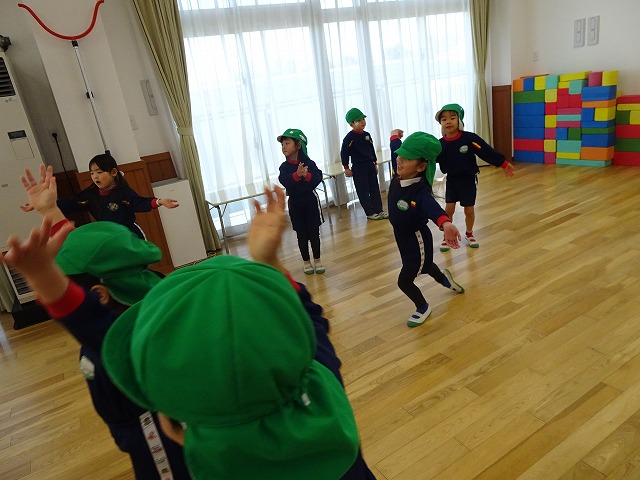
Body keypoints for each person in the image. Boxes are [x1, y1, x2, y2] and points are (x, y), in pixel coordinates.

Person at [4, 181, 376, 480]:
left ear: (178, 430)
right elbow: (310, 319)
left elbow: (99, 331)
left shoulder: (208, 461)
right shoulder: (322, 379)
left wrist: (45, 279)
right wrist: (268, 260)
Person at [7, 166, 191, 480]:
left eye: (66, 283)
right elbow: (84, 249)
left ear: (98, 296)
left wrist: (42, 276)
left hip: (152, 434)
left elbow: (80, 312)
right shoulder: (128, 305)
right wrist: (50, 211)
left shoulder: (121, 334)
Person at [389, 130, 465, 327]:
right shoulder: (398, 174)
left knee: (405, 280)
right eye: (400, 155)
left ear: (421, 167)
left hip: (417, 238)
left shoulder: (420, 192)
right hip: (401, 236)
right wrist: (394, 136)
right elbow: (395, 149)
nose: (399, 159)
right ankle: (446, 280)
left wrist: (446, 223)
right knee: (426, 265)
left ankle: (422, 306)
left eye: (406, 158)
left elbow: (433, 209)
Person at [21, 154, 179, 239]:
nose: (95, 176)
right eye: (92, 173)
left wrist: (159, 201)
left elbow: (139, 203)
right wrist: (43, 204)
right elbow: (70, 203)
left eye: (99, 172)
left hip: (130, 236)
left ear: (113, 172)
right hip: (108, 237)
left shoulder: (123, 192)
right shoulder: (90, 195)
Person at [435, 103, 515, 251]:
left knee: (469, 210)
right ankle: (447, 235)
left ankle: (469, 233)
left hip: (468, 180)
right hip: (451, 180)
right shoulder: (439, 144)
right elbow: (429, 159)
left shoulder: (469, 138)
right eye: (444, 119)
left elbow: (485, 151)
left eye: (452, 118)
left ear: (459, 120)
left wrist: (503, 163)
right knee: (449, 209)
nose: (448, 121)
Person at [277, 128, 325, 275]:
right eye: (282, 144)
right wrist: (297, 175)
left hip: (311, 202)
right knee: (301, 234)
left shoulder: (309, 163)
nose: (283, 147)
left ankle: (317, 260)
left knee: (314, 233)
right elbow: (284, 180)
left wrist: (306, 175)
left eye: (287, 143)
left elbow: (317, 178)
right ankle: (306, 262)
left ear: (298, 145)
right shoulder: (284, 167)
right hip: (295, 204)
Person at [341, 108, 387, 220]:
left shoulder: (367, 135)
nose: (362, 122)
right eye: (359, 120)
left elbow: (371, 149)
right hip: (358, 167)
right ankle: (370, 212)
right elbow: (344, 153)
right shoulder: (349, 138)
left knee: (374, 188)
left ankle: (379, 210)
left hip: (370, 165)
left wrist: (375, 163)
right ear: (351, 124)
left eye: (363, 119)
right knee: (363, 190)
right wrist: (346, 167)